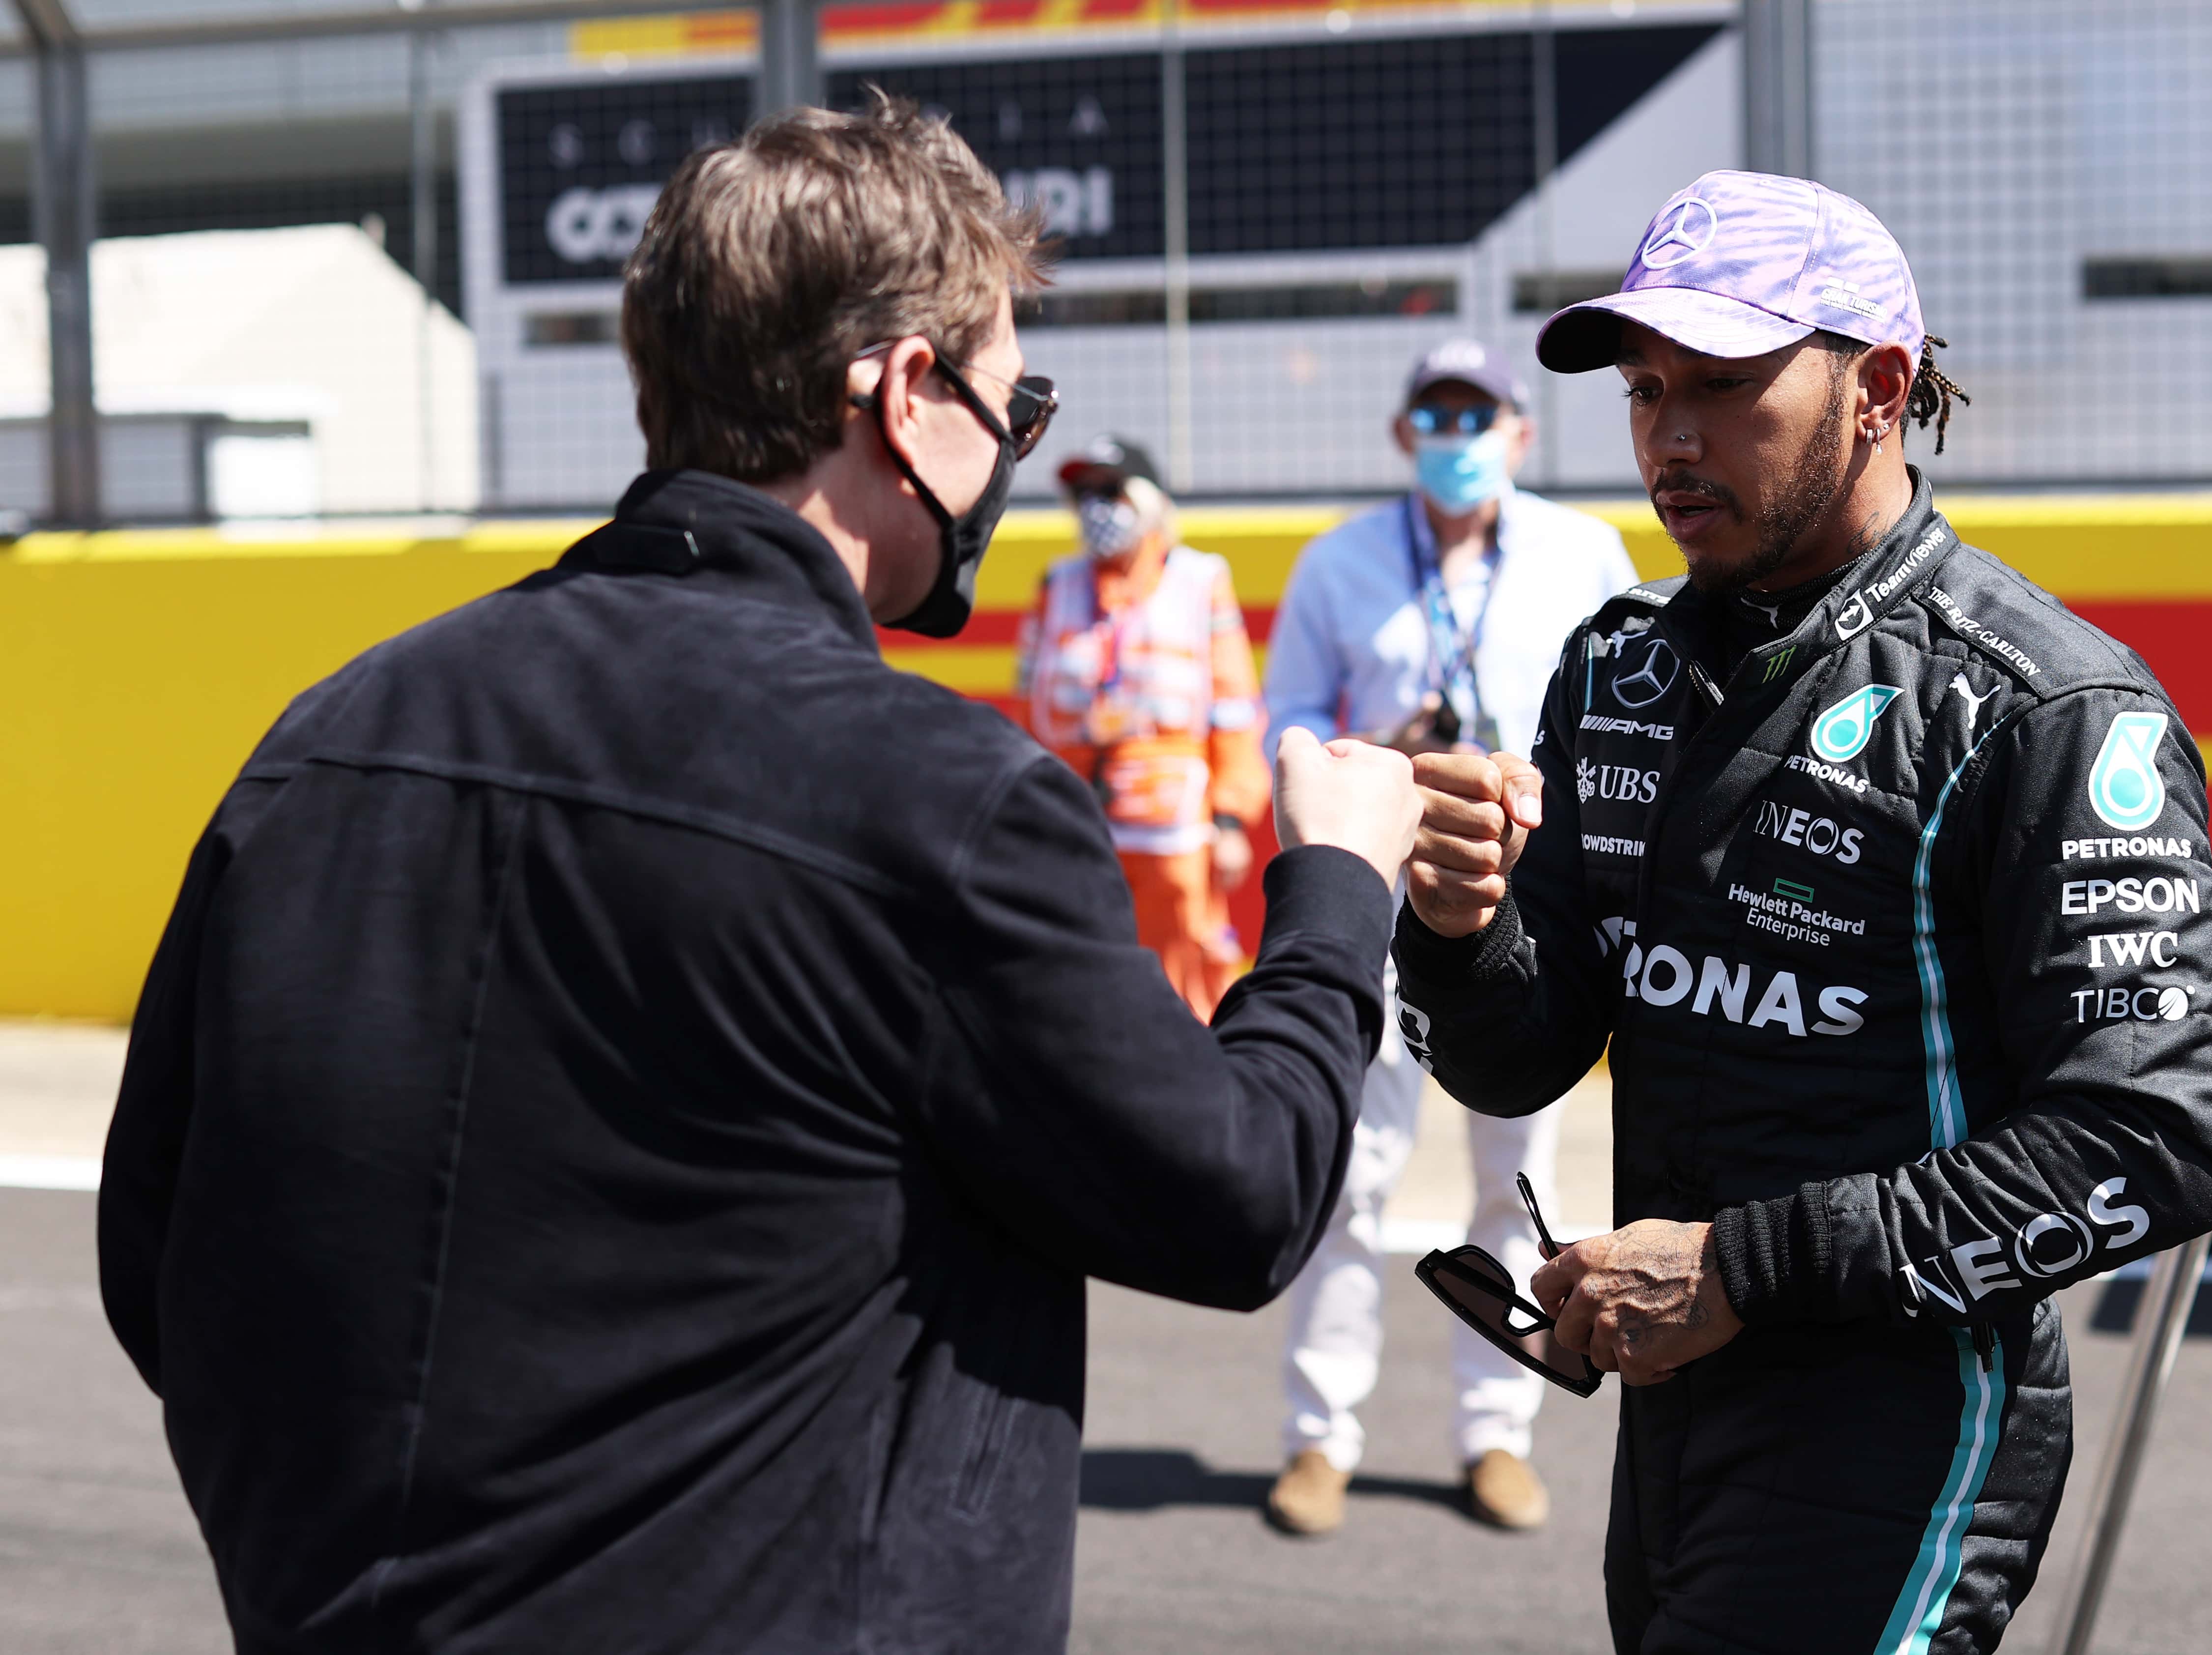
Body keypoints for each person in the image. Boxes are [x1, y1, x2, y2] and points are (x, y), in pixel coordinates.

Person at [95, 100, 1420, 1655]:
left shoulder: (328, 738)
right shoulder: (943, 799)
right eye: (1016, 400)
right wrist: (1335, 890)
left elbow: (158, 1263)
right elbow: (1239, 1201)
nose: (1017, 451)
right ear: (910, 392)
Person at [1392, 170, 2212, 1652]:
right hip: (1675, 1424)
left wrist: (1742, 1270)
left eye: (1723, 384)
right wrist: (1457, 930)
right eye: (1647, 390)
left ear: (1879, 389)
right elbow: (1517, 1059)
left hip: (1902, 1439)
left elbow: (2151, 1143)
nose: (1669, 434)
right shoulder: (1619, 670)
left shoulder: (2044, 706)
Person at [1258, 339, 1642, 1535]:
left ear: (1520, 434)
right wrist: (1381, 741)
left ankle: (1496, 1435)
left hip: (1525, 912)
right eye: (1436, 415)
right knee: (1345, 1188)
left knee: (1514, 1181)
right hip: (1379, 897)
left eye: (1478, 417)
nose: (1457, 437)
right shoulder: (1338, 563)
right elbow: (1286, 733)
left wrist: (1551, 783)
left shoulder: (1586, 555)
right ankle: (1319, 1439)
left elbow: (1630, 722)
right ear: (1402, 432)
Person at [1018, 433, 1269, 1018]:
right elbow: (1027, 711)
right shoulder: (1056, 586)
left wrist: (1230, 818)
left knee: (1188, 978)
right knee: (1083, 974)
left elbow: (1234, 707)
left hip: (1174, 832)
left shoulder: (1201, 580)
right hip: (1077, 821)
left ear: (1149, 499)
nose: (1096, 508)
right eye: (1083, 496)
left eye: (1110, 492)